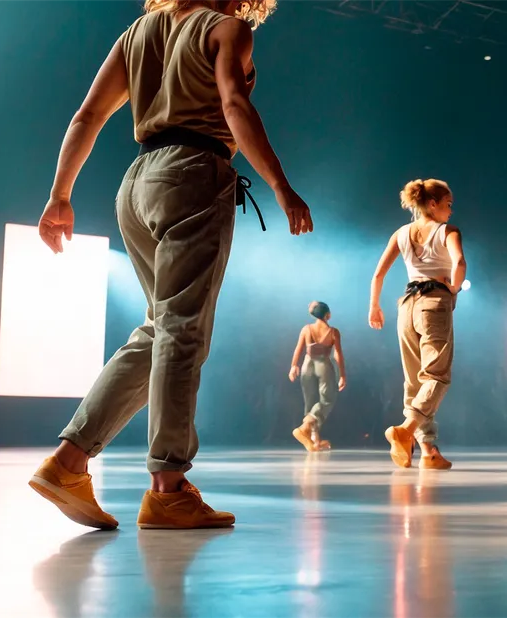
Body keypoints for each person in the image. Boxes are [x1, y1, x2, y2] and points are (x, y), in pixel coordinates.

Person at [30, 0, 313, 530]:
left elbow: (87, 115)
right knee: (182, 332)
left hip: (137, 183)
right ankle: (169, 489)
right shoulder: (227, 28)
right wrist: (280, 185)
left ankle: (67, 463)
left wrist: (59, 195)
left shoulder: (137, 32)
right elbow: (234, 105)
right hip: (193, 173)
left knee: (160, 329)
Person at [369, 179, 466, 470]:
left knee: (415, 381)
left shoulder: (401, 233)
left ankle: (428, 451)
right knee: (437, 377)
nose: (451, 210)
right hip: (433, 303)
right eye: (448, 204)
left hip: (406, 305)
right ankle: (406, 430)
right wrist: (453, 288)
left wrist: (374, 306)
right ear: (433, 204)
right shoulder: (448, 231)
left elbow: (378, 274)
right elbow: (459, 263)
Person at [288, 301, 346, 451]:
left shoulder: (307, 329)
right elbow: (338, 354)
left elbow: (299, 349)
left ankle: (314, 440)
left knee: (311, 401)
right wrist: (342, 374)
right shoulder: (333, 332)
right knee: (327, 398)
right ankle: (305, 428)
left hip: (307, 365)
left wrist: (294, 365)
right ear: (328, 315)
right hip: (323, 365)